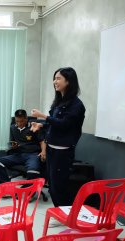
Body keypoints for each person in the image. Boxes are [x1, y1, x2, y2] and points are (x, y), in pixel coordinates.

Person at [30, 67, 85, 207]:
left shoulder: (76, 105)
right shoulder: (59, 102)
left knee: (60, 185)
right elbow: (54, 123)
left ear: (69, 81)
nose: (55, 82)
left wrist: (43, 116)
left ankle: (64, 214)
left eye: (58, 78)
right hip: (51, 149)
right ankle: (58, 212)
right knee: (53, 184)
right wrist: (41, 125)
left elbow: (65, 124)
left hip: (63, 152)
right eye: (54, 79)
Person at [0, 109, 46, 185]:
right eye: (17, 121)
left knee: (33, 171)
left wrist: (43, 151)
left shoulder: (33, 126)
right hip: (18, 154)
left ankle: (28, 191)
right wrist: (12, 146)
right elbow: (11, 142)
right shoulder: (13, 128)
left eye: (21, 121)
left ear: (26, 119)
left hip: (32, 155)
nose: (19, 123)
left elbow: (42, 141)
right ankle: (6, 187)